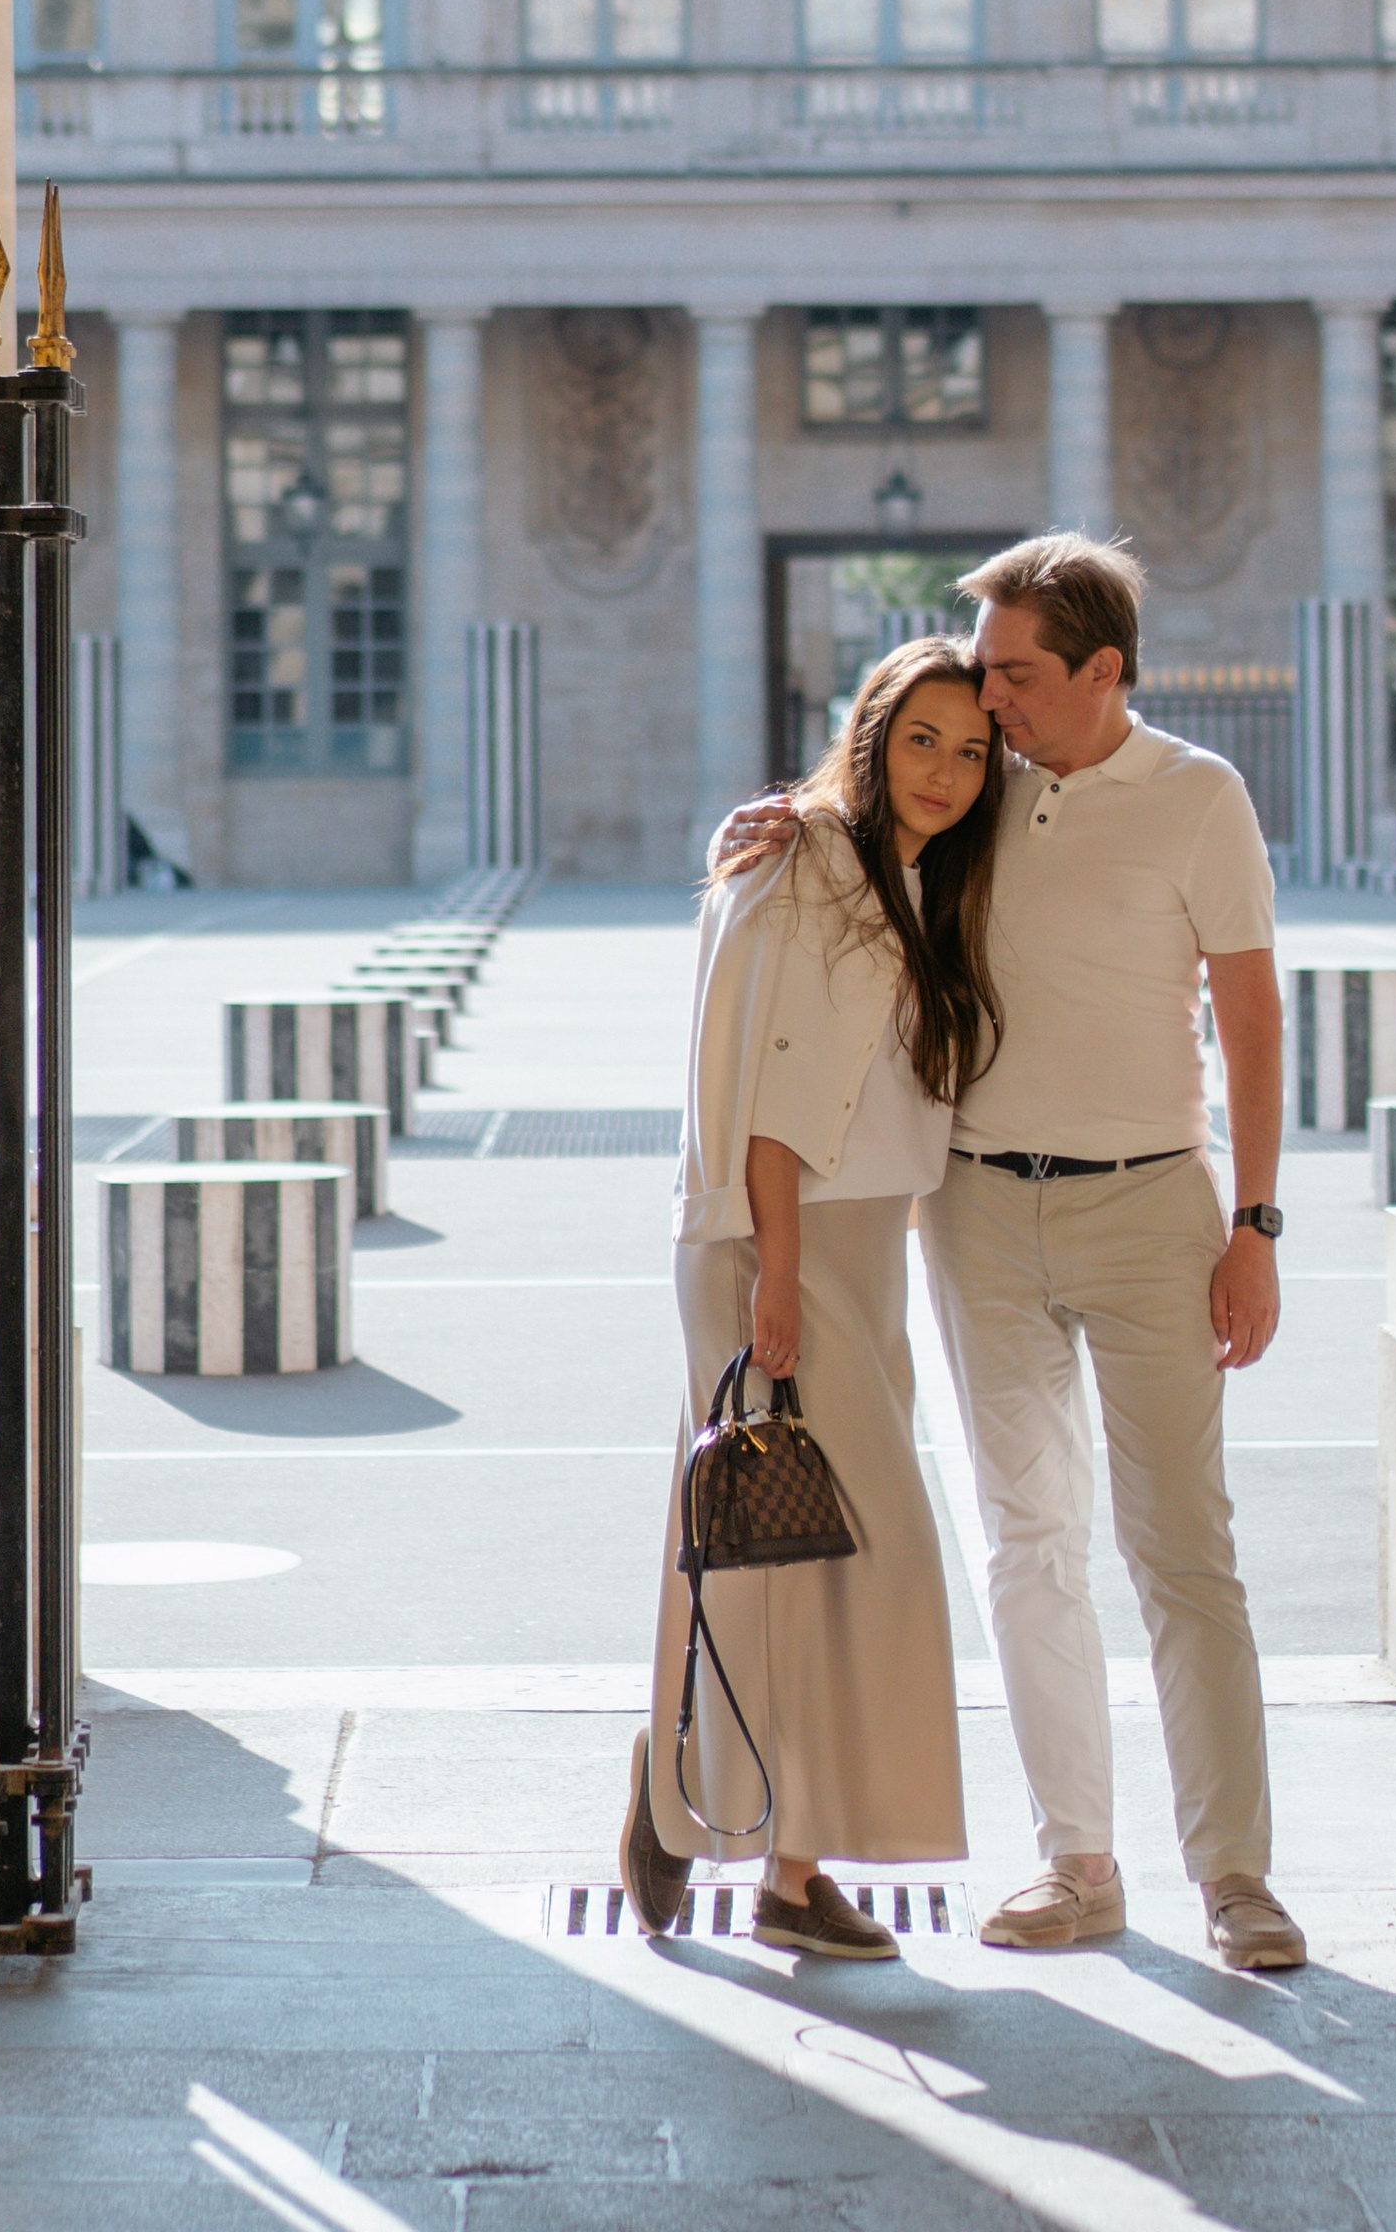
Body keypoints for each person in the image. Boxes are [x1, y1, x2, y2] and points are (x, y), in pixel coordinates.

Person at [720, 530, 1307, 1977]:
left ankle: (1236, 1876)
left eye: (1018, 676)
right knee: (1027, 1546)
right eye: (983, 674)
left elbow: (1252, 1019)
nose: (989, 702)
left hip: (1153, 1208)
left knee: (1184, 1553)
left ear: (1105, 671)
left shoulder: (1201, 797)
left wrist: (1256, 1225)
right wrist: (780, 823)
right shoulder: (981, 797)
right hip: (978, 1211)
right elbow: (867, 825)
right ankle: (1077, 1866)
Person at [619, 637, 1005, 1959]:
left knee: (777, 1551)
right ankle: (774, 1866)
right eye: (922, 740)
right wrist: (778, 1277)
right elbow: (778, 1091)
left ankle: (692, 1804)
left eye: (972, 751)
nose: (946, 772)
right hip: (775, 1239)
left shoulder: (900, 873)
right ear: (872, 735)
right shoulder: (816, 861)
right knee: (836, 1556)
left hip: (849, 1243)